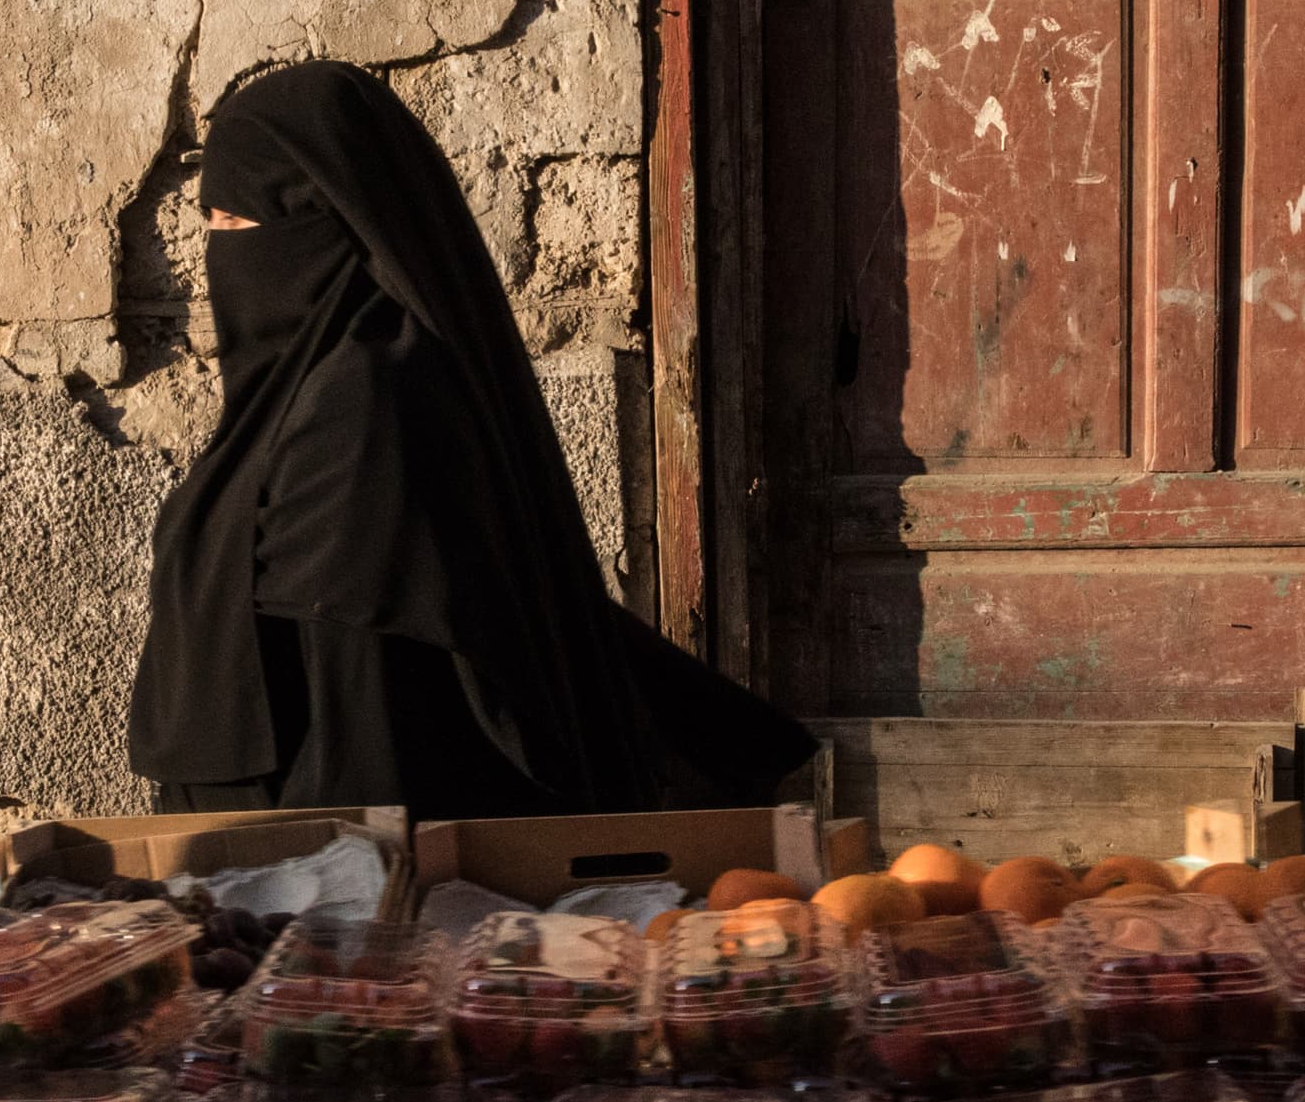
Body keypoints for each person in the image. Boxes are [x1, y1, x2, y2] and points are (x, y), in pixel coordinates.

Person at [129, 60, 811, 817]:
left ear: (324, 221)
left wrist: (314, 892)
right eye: (212, 222)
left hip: (340, 867)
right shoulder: (306, 392)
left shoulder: (361, 406)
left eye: (240, 220)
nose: (221, 250)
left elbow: (368, 708)